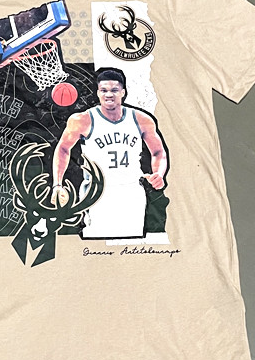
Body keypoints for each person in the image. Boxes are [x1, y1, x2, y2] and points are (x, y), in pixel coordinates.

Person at [51, 68, 168, 238]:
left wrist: (159, 173)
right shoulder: (82, 120)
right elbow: (63, 148)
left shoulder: (142, 120)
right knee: (98, 246)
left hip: (131, 193)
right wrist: (57, 184)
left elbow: (158, 151)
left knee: (130, 245)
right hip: (97, 194)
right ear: (98, 93)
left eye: (114, 90)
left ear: (123, 92)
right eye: (104, 90)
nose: (109, 95)